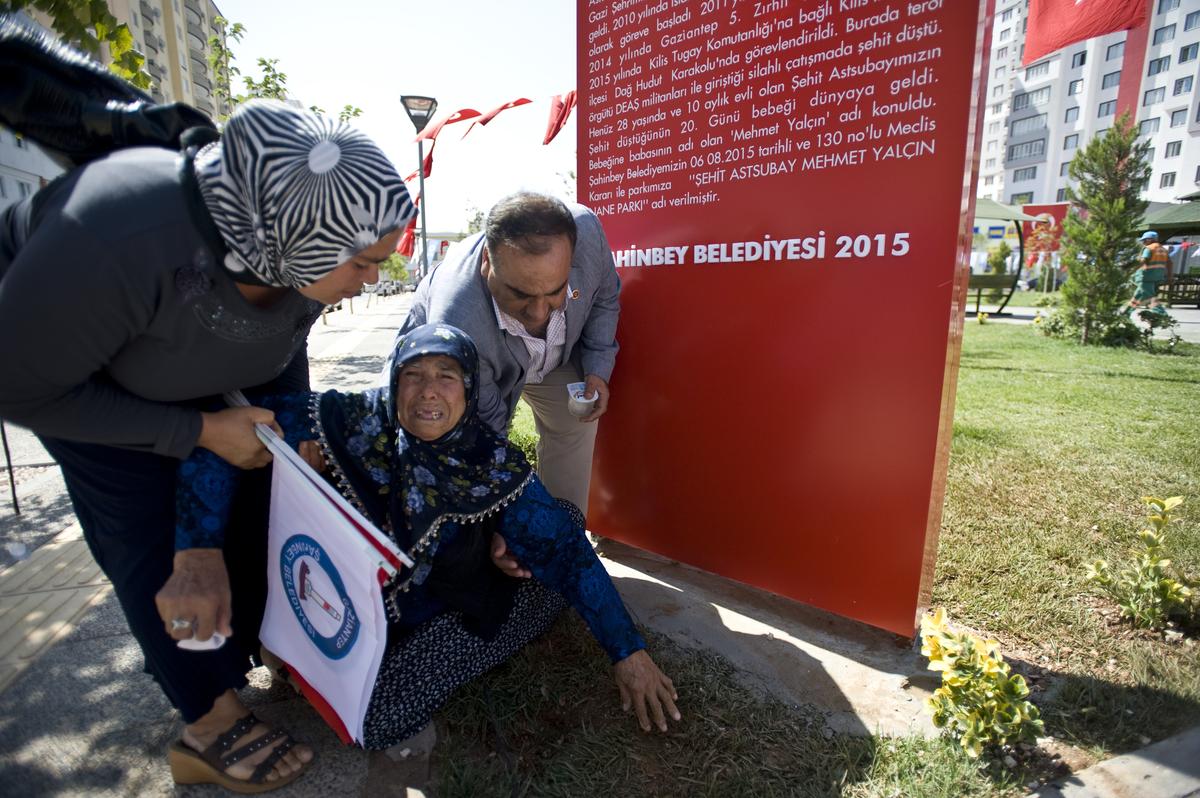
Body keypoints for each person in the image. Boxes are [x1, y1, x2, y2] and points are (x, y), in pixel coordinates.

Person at [0, 100, 415, 792]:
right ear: (299, 245)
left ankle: (247, 643)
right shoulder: (114, 236)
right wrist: (192, 432)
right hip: (69, 372)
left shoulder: (300, 236)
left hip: (174, 346)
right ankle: (209, 720)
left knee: (258, 477)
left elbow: (280, 341)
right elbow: (17, 388)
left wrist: (288, 428)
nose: (373, 280)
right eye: (366, 264)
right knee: (151, 531)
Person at [174, 323, 680, 750]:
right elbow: (223, 437)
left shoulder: (491, 464)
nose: (429, 390)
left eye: (447, 376)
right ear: (394, 383)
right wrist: (196, 552)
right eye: (412, 374)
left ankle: (510, 588)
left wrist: (627, 653)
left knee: (378, 718)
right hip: (350, 603)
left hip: (449, 598)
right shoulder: (350, 421)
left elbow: (570, 557)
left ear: (469, 385)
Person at [397, 192, 619, 516]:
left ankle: (563, 532)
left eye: (555, 291)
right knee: (460, 464)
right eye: (521, 294)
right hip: (474, 363)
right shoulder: (459, 322)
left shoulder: (587, 233)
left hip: (553, 356)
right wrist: (511, 518)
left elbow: (604, 298)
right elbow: (488, 433)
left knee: (575, 420)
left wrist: (597, 368)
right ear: (487, 261)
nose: (540, 314)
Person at [1133, 230, 1172, 310]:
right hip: (1158, 276)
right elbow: (1170, 263)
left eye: (1144, 240)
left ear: (1150, 239)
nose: (1143, 242)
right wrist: (1170, 276)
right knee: (1138, 294)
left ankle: (1162, 315)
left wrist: (1132, 270)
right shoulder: (1163, 249)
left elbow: (1143, 260)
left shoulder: (1149, 248)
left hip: (1147, 276)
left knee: (1151, 296)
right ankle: (1126, 313)